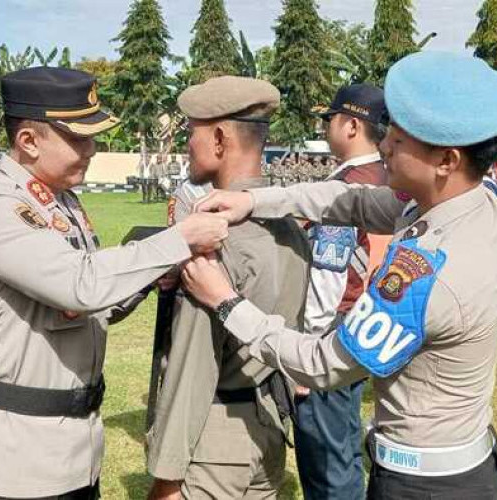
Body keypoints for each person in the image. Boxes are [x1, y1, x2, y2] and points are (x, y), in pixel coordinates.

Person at [182, 52, 497, 499]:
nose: (384, 147)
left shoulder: (426, 275)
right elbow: (354, 202)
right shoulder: (469, 207)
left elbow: (325, 365)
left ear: (446, 160)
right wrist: (255, 202)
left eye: (399, 141)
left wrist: (226, 302)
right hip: (461, 465)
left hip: (424, 487)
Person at [0, 66, 227, 500]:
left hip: (73, 450)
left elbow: (90, 305)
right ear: (28, 141)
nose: (93, 149)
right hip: (14, 461)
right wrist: (179, 239)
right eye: (78, 138)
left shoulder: (61, 200)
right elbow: (79, 285)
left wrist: (153, 277)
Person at [146, 75, 310, 500]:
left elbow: (192, 366)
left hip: (213, 434)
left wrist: (166, 478)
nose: (187, 146)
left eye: (191, 133)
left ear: (219, 139)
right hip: (269, 424)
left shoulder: (211, 238)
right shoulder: (289, 226)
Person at [292, 83, 390, 500]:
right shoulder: (386, 176)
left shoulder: (346, 187)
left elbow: (329, 275)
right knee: (346, 449)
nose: (326, 127)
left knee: (327, 465)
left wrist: (307, 356)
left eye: (329, 119)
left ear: (351, 125)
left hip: (331, 335)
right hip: (363, 329)